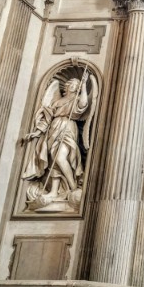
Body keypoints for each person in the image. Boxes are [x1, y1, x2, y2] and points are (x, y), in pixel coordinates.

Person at [22, 74, 90, 203]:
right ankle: (54, 191)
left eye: (76, 85)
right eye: (71, 84)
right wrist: (37, 132)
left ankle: (73, 187)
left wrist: (85, 85)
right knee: (53, 158)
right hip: (54, 128)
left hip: (67, 127)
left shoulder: (77, 98)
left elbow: (82, 106)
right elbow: (48, 118)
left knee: (60, 156)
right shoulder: (57, 101)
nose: (72, 86)